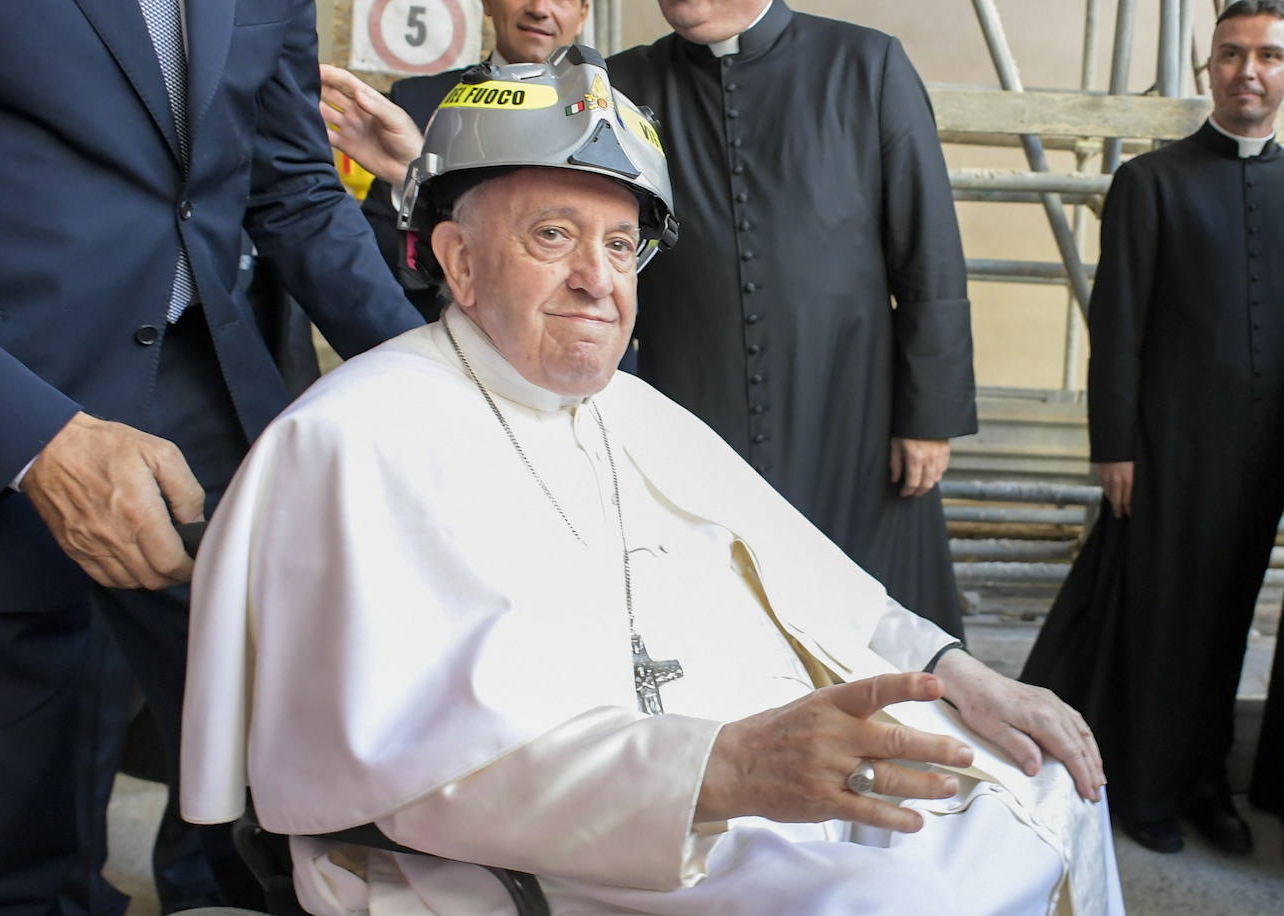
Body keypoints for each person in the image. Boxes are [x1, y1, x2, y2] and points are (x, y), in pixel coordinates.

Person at [182, 49, 1121, 916]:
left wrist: (963, 673)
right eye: (554, 235)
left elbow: (823, 588)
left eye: (622, 246)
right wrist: (724, 769)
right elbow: (401, 766)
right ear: (460, 262)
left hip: (735, 775)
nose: (598, 280)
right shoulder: (349, 440)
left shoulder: (632, 409)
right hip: (542, 853)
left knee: (1044, 776)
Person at [0, 2, 422, 914]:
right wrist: (25, 437)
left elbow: (296, 193)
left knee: (290, 801)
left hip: (209, 404)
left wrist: (443, 389)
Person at [316, 0, 975, 638]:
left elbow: (929, 249)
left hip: (848, 403)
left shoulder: (864, 64)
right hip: (687, 400)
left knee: (881, 630)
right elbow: (522, 231)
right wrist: (416, 173)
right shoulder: (615, 83)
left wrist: (929, 415)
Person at [1022, 0, 1284, 857]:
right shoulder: (1153, 180)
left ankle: (1206, 784)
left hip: (1264, 459)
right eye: (1232, 54)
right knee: (1161, 621)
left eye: (1269, 56)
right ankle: (1143, 787)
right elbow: (1120, 324)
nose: (1249, 71)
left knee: (1229, 622)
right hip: (1168, 450)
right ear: (1210, 68)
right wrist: (1115, 448)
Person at [320, 0, 590, 322]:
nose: (540, 8)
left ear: (583, 14)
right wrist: (416, 182)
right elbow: (376, 259)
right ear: (487, 4)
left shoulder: (616, 114)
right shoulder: (415, 103)